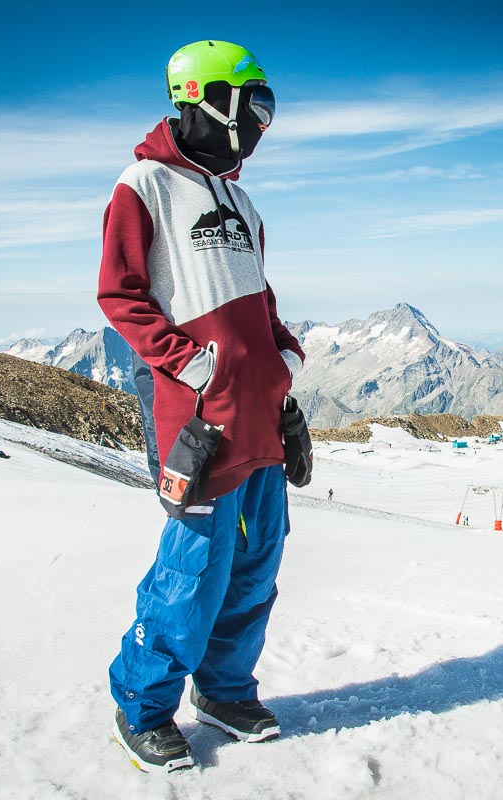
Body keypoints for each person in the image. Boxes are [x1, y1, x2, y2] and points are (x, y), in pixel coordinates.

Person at [97, 40, 310, 774]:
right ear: (211, 100)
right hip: (197, 425)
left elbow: (262, 308)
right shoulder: (144, 186)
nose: (262, 124)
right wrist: (193, 365)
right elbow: (120, 295)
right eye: (257, 106)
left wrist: (285, 365)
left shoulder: (243, 202)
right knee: (192, 573)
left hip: (260, 422)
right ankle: (143, 706)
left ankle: (223, 691)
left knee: (255, 567)